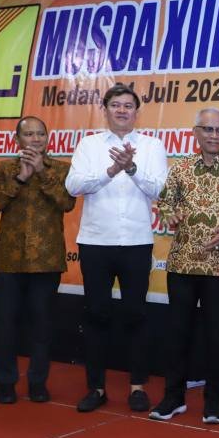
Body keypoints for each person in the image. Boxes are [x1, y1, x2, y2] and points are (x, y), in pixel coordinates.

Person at [66, 83, 168, 413]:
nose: (122, 110)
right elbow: (73, 185)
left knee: (136, 314)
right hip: (96, 241)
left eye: (128, 106)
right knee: (96, 314)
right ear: (106, 110)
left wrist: (132, 169)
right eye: (116, 105)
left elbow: (161, 190)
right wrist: (111, 170)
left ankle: (137, 387)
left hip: (136, 242)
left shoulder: (152, 146)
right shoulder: (89, 145)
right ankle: (96, 387)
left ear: (136, 112)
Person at [149, 108, 219, 423]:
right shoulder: (181, 168)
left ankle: (213, 401)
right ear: (195, 132)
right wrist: (168, 215)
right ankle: (173, 397)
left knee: (217, 336)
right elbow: (164, 203)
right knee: (177, 334)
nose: (213, 135)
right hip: (182, 264)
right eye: (208, 129)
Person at [0, 116, 75, 404]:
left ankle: (37, 382)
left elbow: (67, 202)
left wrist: (41, 173)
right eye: (29, 134)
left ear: (47, 138)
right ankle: (5, 383)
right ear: (17, 140)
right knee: (5, 325)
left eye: (40, 134)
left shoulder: (61, 169)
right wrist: (21, 178)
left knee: (42, 326)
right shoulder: (4, 169)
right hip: (10, 260)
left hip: (46, 260)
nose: (36, 139)